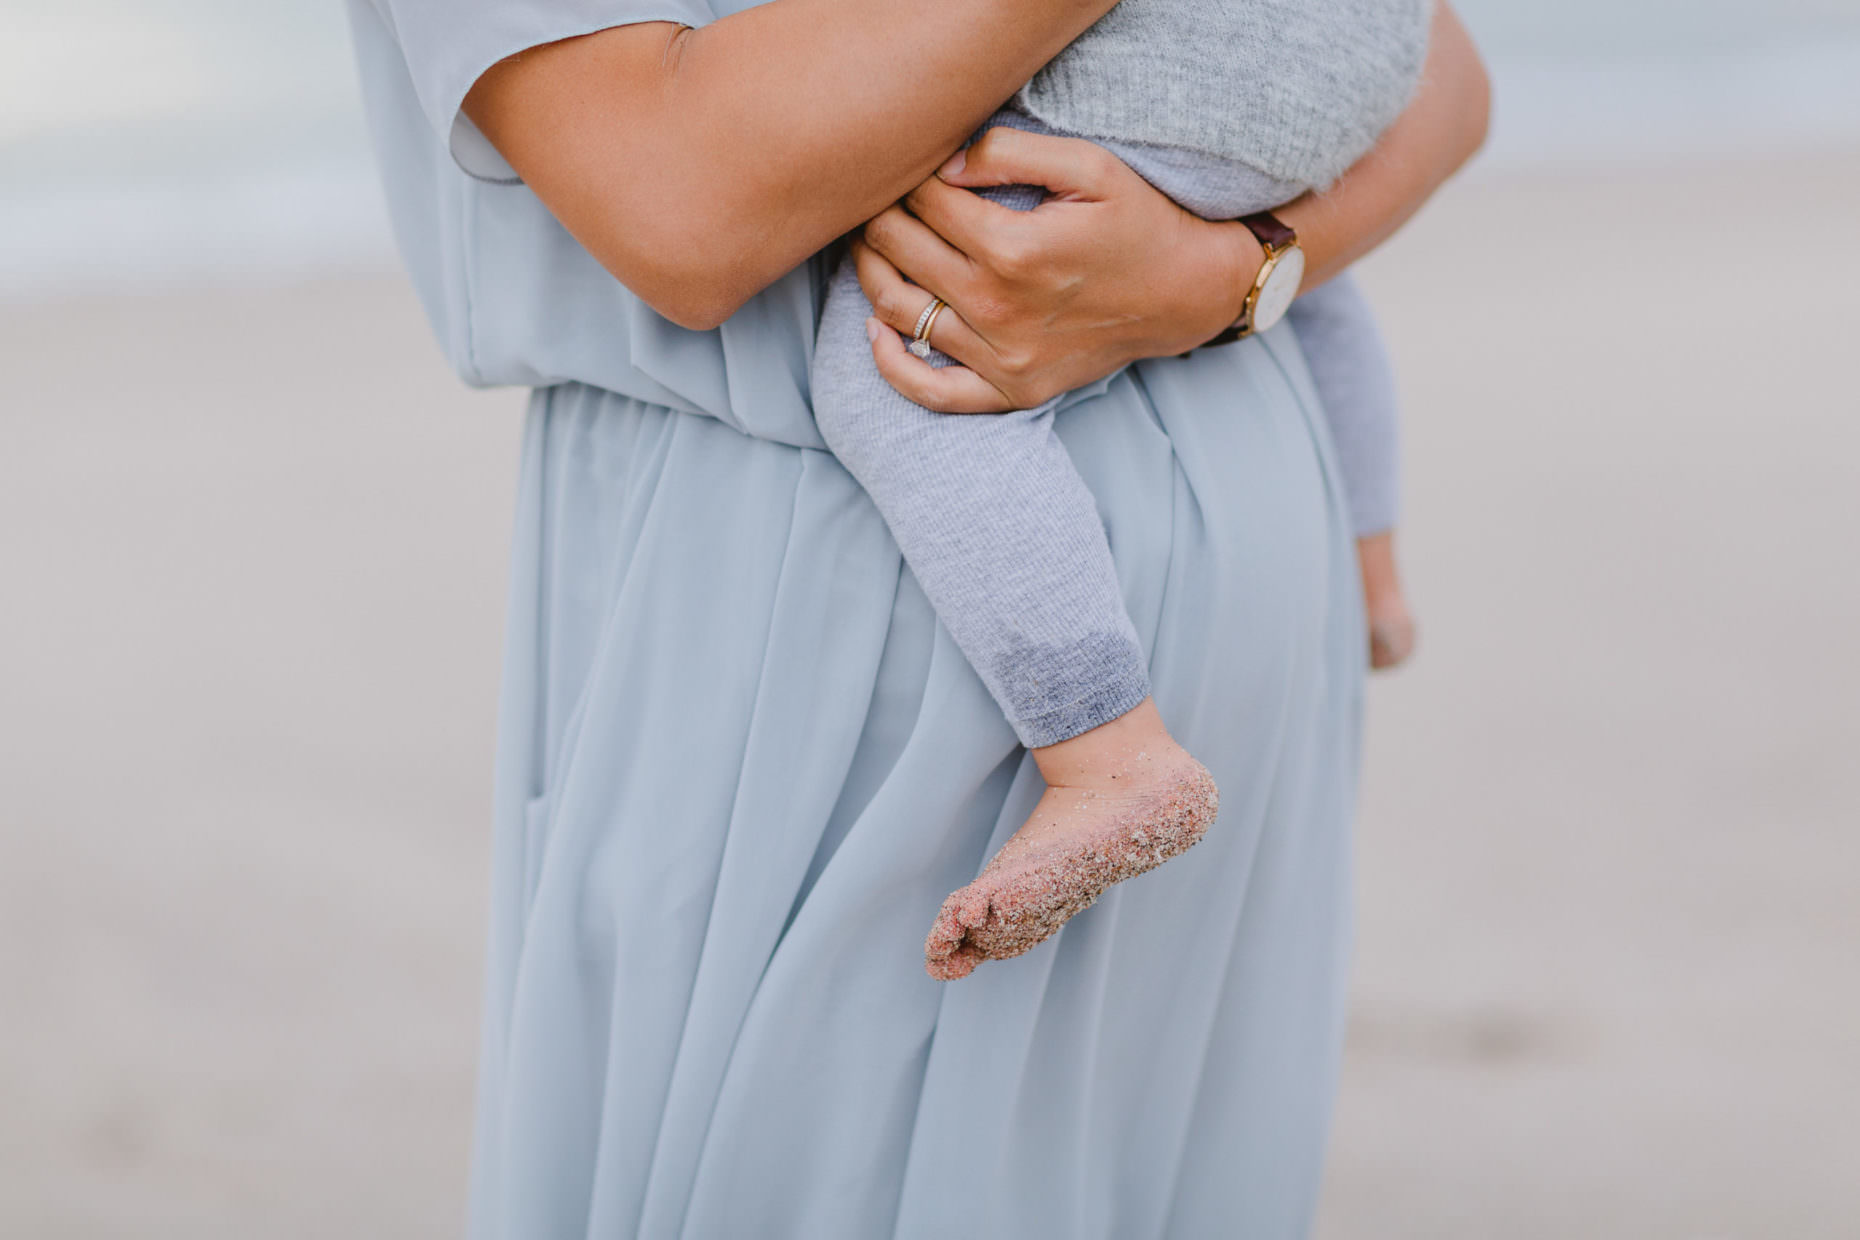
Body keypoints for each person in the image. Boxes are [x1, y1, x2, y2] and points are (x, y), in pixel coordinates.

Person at [345, 0, 1487, 1232]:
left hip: (872, 579)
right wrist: (1250, 267)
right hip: (1248, 516)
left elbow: (688, 208)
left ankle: (1112, 755)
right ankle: (1373, 579)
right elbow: (676, 196)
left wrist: (1238, 273)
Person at [808, 0, 1431, 981]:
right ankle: (1376, 575)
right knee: (1276, 246)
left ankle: (1109, 758)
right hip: (1363, 56)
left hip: (1158, 75)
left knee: (887, 379)